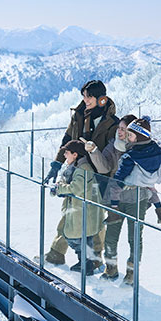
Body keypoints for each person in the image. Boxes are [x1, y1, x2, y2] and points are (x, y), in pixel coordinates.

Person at [41, 81, 118, 265]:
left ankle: (94, 258)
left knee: (95, 218)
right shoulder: (79, 115)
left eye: (89, 96)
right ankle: (56, 253)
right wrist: (56, 163)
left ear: (101, 98)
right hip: (77, 171)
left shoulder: (112, 123)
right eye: (83, 96)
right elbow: (67, 140)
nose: (85, 100)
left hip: (100, 177)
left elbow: (111, 157)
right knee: (70, 211)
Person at [110, 116, 161, 284]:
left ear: (139, 137)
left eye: (130, 135)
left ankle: (111, 268)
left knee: (117, 233)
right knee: (136, 237)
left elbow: (119, 178)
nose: (128, 137)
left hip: (130, 193)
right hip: (144, 193)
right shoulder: (157, 150)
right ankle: (132, 272)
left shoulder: (131, 156)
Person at [53, 140, 105, 275]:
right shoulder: (79, 167)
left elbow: (75, 188)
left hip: (82, 210)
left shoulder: (82, 170)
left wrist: (59, 189)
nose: (64, 155)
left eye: (67, 153)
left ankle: (86, 263)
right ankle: (85, 264)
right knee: (85, 237)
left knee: (72, 237)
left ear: (75, 154)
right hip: (84, 209)